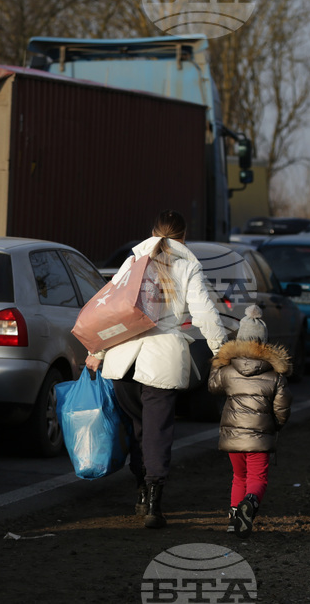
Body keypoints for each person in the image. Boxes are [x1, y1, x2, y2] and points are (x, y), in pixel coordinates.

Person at [85, 210, 227, 529]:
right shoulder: (188, 266)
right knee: (158, 434)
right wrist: (222, 351)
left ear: (152, 232)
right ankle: (153, 504)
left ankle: (140, 491)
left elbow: (112, 310)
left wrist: (98, 349)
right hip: (161, 365)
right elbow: (206, 314)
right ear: (183, 236)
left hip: (124, 362)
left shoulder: (134, 261)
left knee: (139, 430)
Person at [208, 305, 292, 539]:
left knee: (239, 476)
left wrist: (218, 362)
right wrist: (276, 424)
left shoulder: (228, 370)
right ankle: (251, 503)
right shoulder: (275, 375)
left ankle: (234, 518)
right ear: (264, 343)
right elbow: (282, 407)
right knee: (257, 478)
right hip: (260, 436)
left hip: (232, 437)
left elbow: (213, 388)